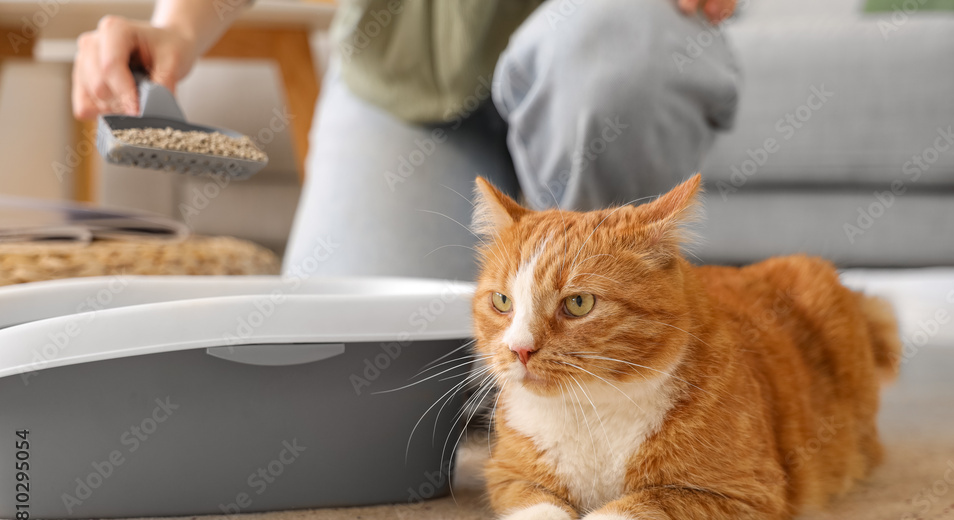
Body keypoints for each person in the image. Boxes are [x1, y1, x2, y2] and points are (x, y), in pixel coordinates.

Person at [73, 0, 741, 281]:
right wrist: (177, 30)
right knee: (348, 379)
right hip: (406, 79)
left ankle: (619, 342)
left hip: (600, 48)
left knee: (607, 57)